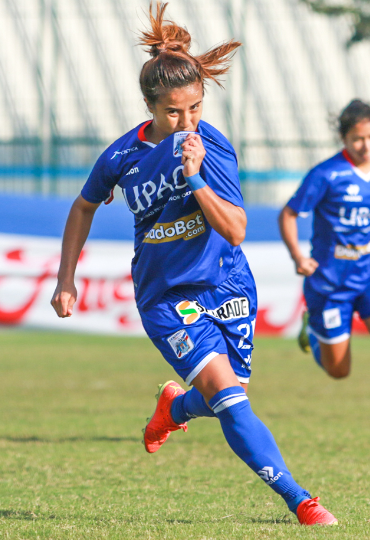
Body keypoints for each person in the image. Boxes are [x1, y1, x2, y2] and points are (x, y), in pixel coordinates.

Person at [51, 2, 337, 526]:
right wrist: (65, 278)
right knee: (230, 402)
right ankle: (303, 502)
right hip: (164, 295)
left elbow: (236, 230)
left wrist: (197, 178)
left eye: (196, 110)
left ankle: (174, 409)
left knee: (226, 395)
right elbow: (83, 205)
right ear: (149, 107)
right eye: (173, 113)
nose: (186, 122)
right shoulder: (121, 157)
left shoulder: (213, 149)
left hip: (227, 283)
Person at [279, 99, 370, 379]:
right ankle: (312, 331)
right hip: (331, 283)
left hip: (367, 276)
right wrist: (298, 257)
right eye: (357, 139)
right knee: (339, 371)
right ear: (343, 138)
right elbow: (289, 214)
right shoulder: (326, 174)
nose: (365, 146)